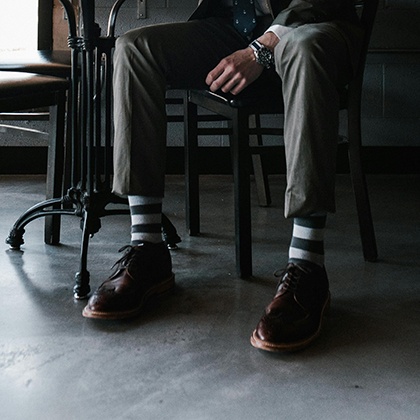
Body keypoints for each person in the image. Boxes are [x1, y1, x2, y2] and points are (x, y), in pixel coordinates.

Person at [82, 0, 362, 352]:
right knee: (134, 49)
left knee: (305, 49)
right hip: (232, 26)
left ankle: (308, 265)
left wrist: (261, 49)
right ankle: (147, 247)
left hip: (311, 24)